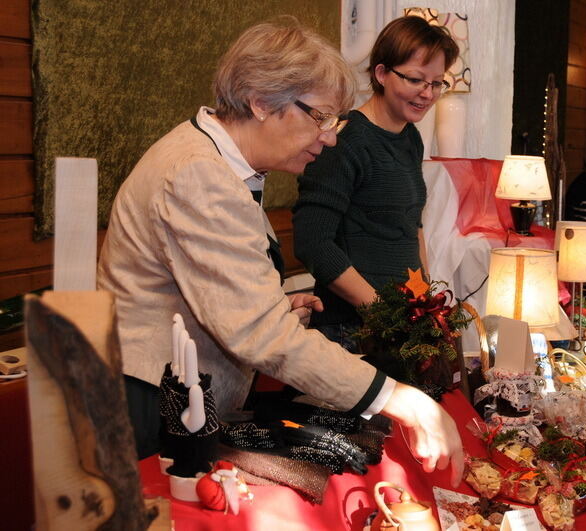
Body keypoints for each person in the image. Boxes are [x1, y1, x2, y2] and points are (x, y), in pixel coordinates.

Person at [97, 19, 463, 486]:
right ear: (262, 101)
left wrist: (276, 306)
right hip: (151, 408)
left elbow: (213, 290)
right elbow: (260, 334)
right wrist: (400, 400)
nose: (330, 137)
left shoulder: (220, 162)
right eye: (320, 117)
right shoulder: (197, 174)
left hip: (177, 399)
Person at [292, 16, 459, 350]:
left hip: (400, 324)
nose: (427, 93)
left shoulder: (410, 138)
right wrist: (383, 314)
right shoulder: (344, 138)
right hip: (351, 331)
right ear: (381, 74)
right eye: (415, 79)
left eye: (437, 83)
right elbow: (313, 242)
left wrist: (425, 304)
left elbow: (412, 226)